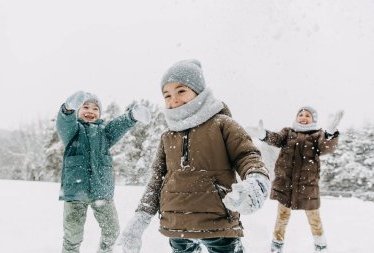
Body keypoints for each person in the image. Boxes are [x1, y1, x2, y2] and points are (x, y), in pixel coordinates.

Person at [114, 59, 271, 253]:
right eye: (167, 95)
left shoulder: (223, 124)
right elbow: (156, 180)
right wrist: (140, 219)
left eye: (181, 91)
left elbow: (247, 156)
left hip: (217, 224)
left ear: (200, 92)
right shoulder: (167, 136)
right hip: (177, 225)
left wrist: (256, 181)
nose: (174, 100)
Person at [56, 91, 151, 253]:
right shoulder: (73, 132)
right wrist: (67, 109)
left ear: (99, 113)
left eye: (95, 109)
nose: (90, 111)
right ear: (78, 111)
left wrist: (132, 116)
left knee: (112, 231)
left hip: (102, 190)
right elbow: (64, 122)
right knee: (72, 235)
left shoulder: (104, 133)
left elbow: (118, 126)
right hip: (75, 193)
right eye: (85, 107)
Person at [246, 106, 343, 253]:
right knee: (282, 217)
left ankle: (321, 245)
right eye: (301, 114)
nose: (303, 117)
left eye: (307, 116)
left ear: (313, 120)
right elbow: (276, 139)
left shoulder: (317, 136)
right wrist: (264, 135)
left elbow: (326, 148)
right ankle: (276, 245)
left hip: (308, 186)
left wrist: (330, 134)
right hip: (286, 184)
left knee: (314, 219)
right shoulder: (288, 133)